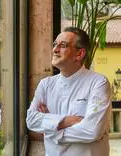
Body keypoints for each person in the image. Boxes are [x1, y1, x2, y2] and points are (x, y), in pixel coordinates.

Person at [26, 27, 111, 156]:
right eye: (55, 44)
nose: (55, 49)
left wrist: (51, 130)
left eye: (63, 45)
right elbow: (31, 120)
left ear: (79, 54)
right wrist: (66, 122)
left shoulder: (98, 83)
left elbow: (92, 130)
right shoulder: (46, 84)